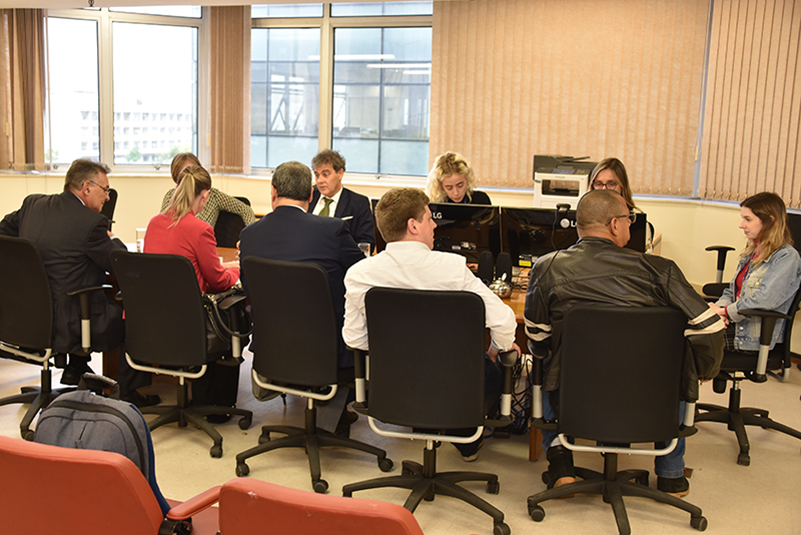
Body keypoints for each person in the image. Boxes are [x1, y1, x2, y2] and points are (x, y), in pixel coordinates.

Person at [524, 189, 725, 498]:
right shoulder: (661, 270)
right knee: (678, 365)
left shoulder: (546, 267)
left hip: (576, 393)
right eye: (629, 220)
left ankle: (562, 468)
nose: (631, 225)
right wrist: (703, 370)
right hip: (648, 394)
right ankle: (671, 476)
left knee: (548, 362)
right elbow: (710, 327)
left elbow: (537, 337)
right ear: (614, 224)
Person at [342, 187, 519, 461]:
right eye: (428, 218)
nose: (435, 225)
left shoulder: (358, 274)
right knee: (490, 368)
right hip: (454, 389)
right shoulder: (452, 269)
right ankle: (465, 438)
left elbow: (354, 339)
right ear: (413, 226)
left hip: (391, 388)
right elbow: (504, 321)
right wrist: (498, 347)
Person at [0, 158, 155, 405]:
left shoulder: (33, 205)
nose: (107, 197)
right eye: (105, 190)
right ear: (86, 187)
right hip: (68, 323)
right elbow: (120, 263)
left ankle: (77, 368)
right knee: (135, 319)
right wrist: (112, 237)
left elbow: (4, 236)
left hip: (24, 317)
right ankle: (127, 394)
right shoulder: (92, 224)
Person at [239, 160, 365, 435]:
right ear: (310, 194)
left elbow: (249, 291)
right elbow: (362, 275)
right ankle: (335, 413)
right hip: (328, 352)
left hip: (272, 349)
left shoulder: (249, 236)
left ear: (273, 191)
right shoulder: (332, 230)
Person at [146, 165, 242, 421]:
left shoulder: (154, 224)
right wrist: (237, 271)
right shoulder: (200, 229)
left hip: (153, 326)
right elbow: (218, 281)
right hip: (189, 327)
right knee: (233, 320)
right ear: (205, 196)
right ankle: (218, 408)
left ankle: (199, 397)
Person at [709, 192, 801, 353]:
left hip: (750, 338)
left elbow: (765, 300)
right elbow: (732, 291)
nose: (741, 225)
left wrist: (724, 312)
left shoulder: (787, 258)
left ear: (769, 221)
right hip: (735, 324)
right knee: (681, 329)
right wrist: (719, 312)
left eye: (748, 219)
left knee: (692, 340)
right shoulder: (752, 252)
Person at [161, 152, 256, 229]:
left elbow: (245, 210)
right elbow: (162, 225)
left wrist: (249, 236)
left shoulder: (214, 196)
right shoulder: (171, 196)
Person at [309, 149, 376, 250]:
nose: (319, 180)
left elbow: (366, 243)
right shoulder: (307, 197)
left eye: (325, 174)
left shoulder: (358, 203)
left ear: (340, 174)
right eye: (317, 175)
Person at [426, 151, 492, 205]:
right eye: (449, 188)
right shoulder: (436, 204)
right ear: (440, 185)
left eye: (460, 185)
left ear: (467, 177)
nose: (456, 193)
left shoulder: (481, 200)